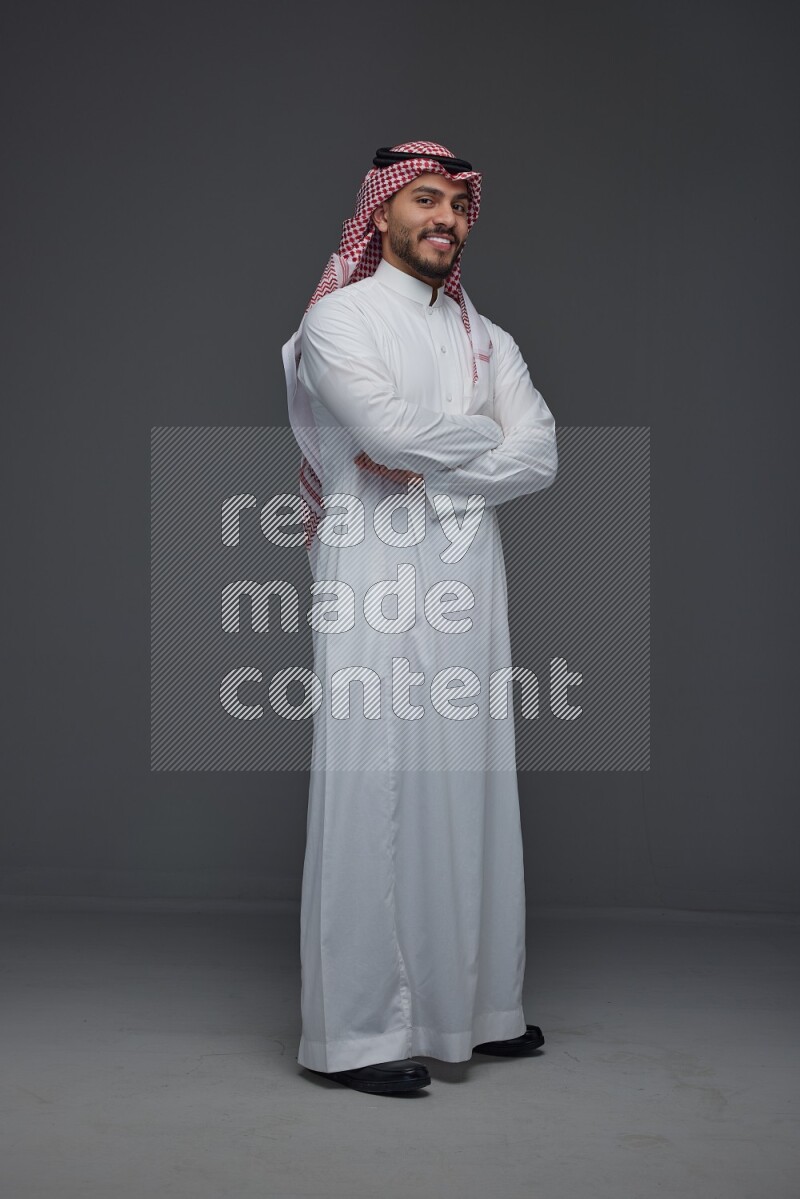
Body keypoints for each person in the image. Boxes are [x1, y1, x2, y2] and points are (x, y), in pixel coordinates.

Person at [282, 141, 558, 1095]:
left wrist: (437, 470)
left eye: (459, 205)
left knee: (468, 778)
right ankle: (356, 1035)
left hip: (467, 574)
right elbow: (385, 433)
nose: (446, 218)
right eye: (426, 199)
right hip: (370, 566)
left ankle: (476, 1012)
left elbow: (541, 454)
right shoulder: (338, 320)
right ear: (383, 211)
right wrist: (481, 442)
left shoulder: (491, 340)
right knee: (374, 782)